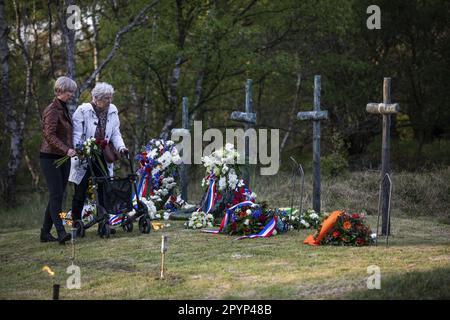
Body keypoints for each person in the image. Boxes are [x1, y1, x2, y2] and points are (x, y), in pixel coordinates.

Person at [69, 82, 128, 229]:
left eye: (111, 97)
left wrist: (121, 147)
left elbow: (115, 133)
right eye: (106, 98)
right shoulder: (82, 111)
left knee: (104, 186)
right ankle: (76, 221)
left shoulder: (112, 110)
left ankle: (104, 219)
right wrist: (80, 149)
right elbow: (76, 134)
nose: (110, 101)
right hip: (85, 155)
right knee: (81, 189)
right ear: (96, 98)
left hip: (102, 154)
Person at [40, 76, 77, 244]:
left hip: (63, 157)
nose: (72, 95)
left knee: (58, 194)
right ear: (60, 90)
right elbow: (48, 134)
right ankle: (61, 232)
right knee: (56, 194)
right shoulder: (52, 110)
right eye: (70, 91)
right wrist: (66, 149)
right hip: (50, 158)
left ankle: (45, 233)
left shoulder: (64, 108)